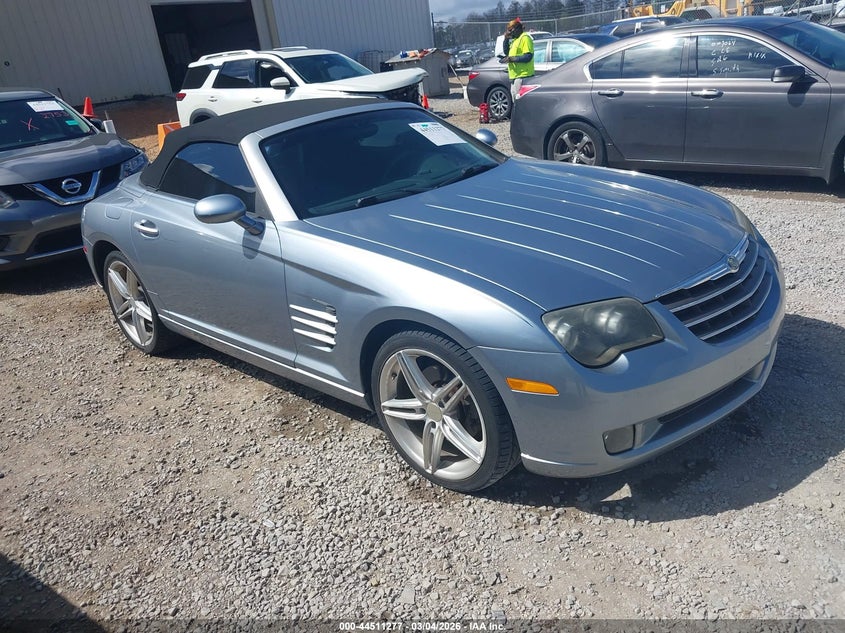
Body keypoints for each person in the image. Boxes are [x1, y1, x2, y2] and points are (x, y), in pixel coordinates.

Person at [499, 18, 534, 106]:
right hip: (514, 77)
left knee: (520, 103)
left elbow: (528, 56)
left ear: (518, 28)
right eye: (508, 30)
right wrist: (506, 39)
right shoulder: (515, 40)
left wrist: (513, 59)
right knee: (516, 102)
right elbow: (507, 52)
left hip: (523, 76)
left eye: (511, 30)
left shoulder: (525, 38)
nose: (510, 32)